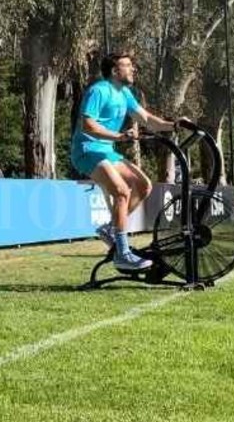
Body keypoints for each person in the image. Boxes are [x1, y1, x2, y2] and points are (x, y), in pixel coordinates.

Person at [70, 52, 187, 271]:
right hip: (87, 150)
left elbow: (148, 120)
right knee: (122, 191)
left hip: (107, 151)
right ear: (115, 71)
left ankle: (110, 229)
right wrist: (119, 137)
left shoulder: (125, 93)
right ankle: (122, 253)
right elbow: (88, 125)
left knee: (144, 185)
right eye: (128, 65)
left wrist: (175, 125)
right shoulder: (99, 90)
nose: (133, 69)